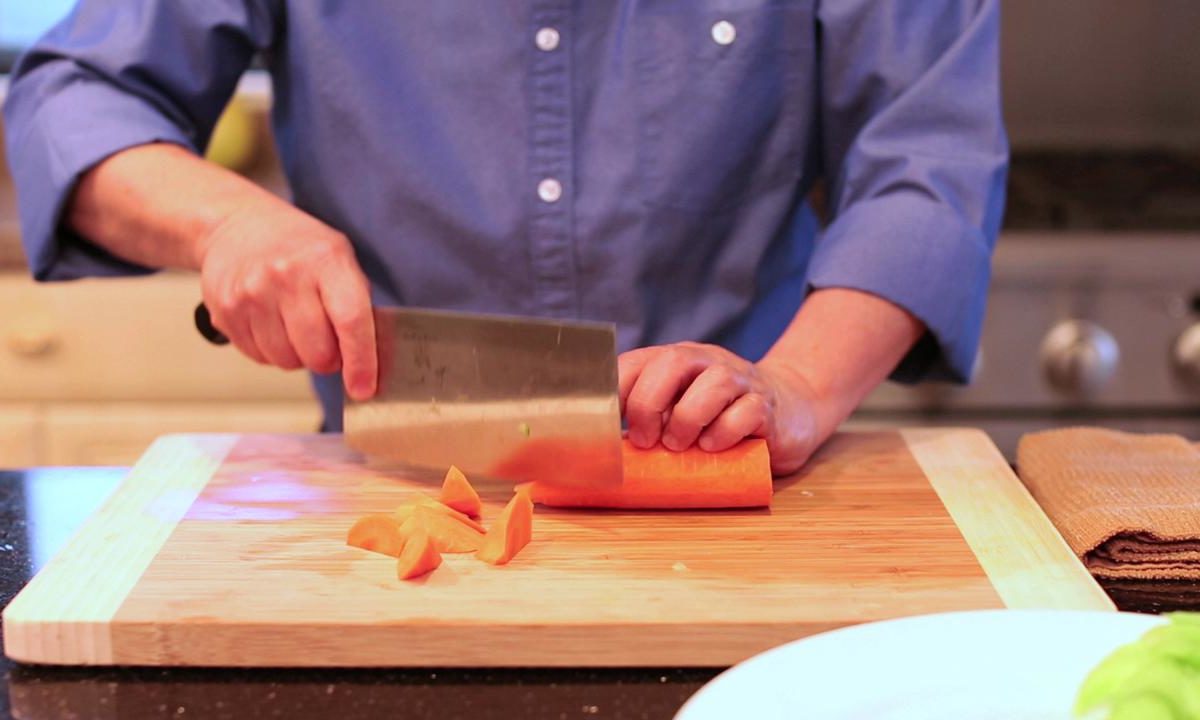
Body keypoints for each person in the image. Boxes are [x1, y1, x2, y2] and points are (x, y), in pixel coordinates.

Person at [2, 1, 1007, 475]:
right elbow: (69, 99)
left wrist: (794, 386)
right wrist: (228, 222)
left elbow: (929, 160)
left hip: (744, 482)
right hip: (388, 496)